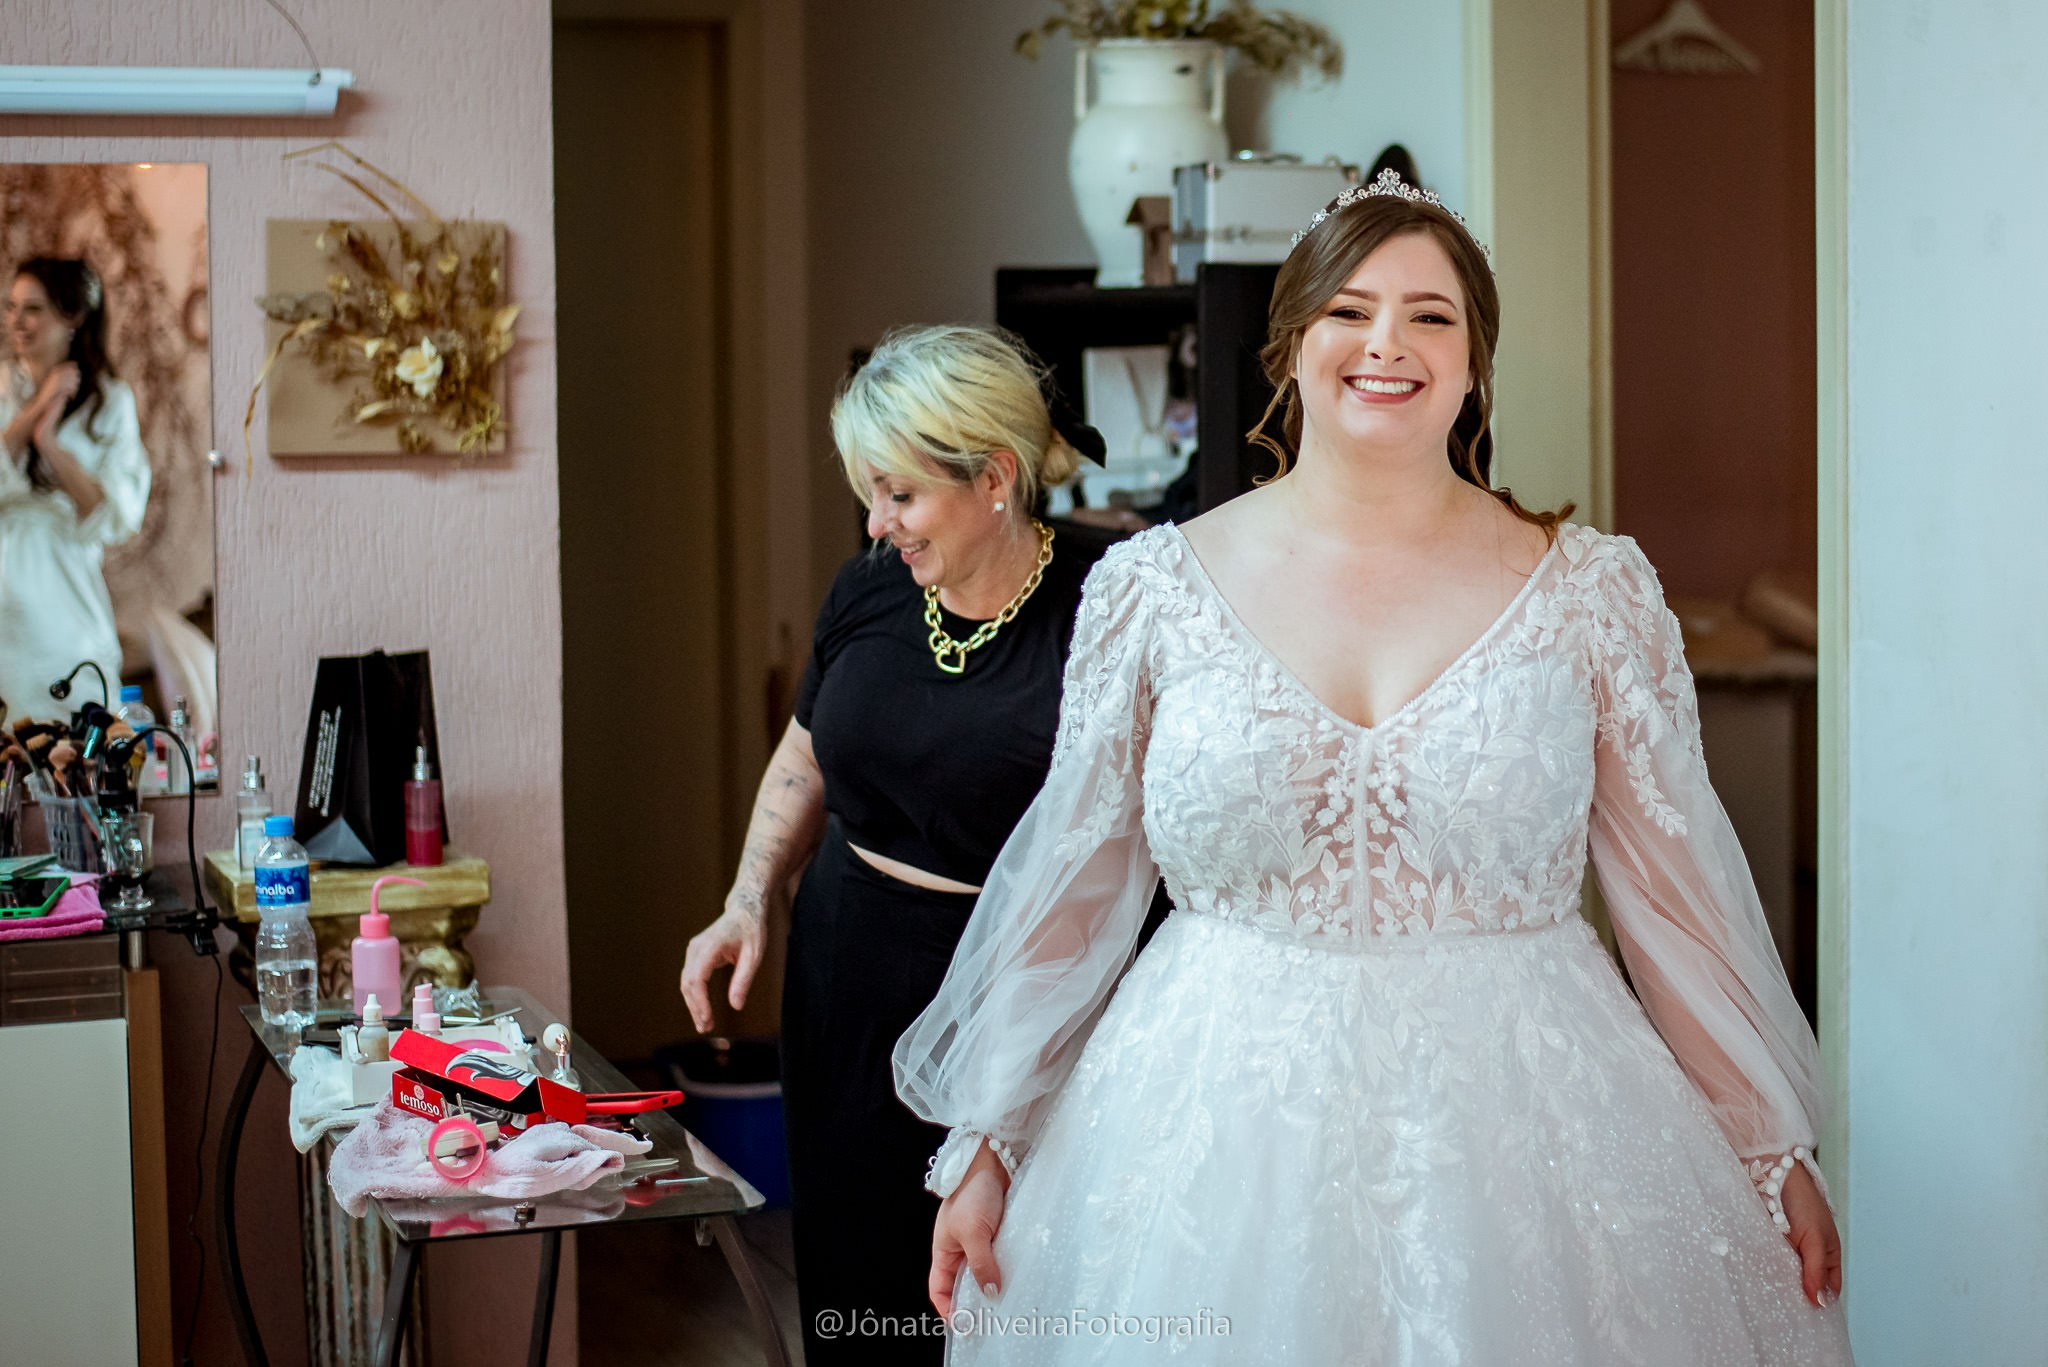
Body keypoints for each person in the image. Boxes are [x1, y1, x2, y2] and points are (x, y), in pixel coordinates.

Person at [893, 172, 1855, 1365]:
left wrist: (1770, 1152)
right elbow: (1077, 881)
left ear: (1473, 363)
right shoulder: (1151, 591)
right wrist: (990, 1136)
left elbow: (1674, 897)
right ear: (1290, 344)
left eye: (1430, 315)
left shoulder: (1588, 592)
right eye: (1349, 310)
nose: (1386, 343)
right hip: (1205, 1129)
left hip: (1527, 1140)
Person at [679, 324, 1099, 1365]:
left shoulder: (1105, 606)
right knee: (855, 1281)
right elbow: (803, 758)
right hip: (845, 968)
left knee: (995, 1290)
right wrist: (745, 899)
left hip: (1016, 991)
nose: (878, 523)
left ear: (994, 476)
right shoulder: (867, 589)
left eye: (899, 495)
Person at [0, 257, 149, 723]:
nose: (17, 322)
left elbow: (115, 512)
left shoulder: (110, 401)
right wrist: (39, 407)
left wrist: (50, 444)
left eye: (34, 309)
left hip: (64, 580)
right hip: (6, 572)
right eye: (11, 307)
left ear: (73, 317)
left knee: (75, 721)